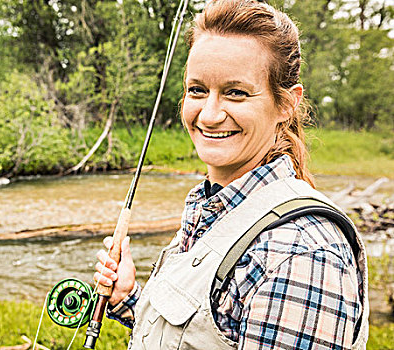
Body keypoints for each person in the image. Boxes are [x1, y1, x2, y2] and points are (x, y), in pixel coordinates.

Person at [93, 1, 368, 349]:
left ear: (286, 104)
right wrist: (130, 298)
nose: (208, 115)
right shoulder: (214, 208)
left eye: (235, 93)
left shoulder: (301, 252)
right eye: (197, 90)